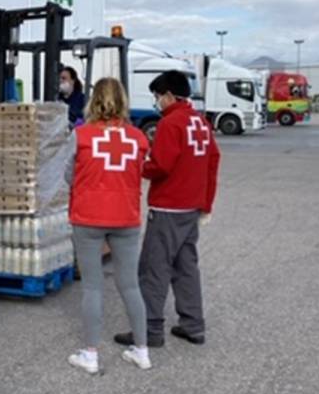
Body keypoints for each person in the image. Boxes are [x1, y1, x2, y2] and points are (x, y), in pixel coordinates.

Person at [115, 70, 220, 348]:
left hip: (168, 207)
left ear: (170, 95)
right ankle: (193, 325)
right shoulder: (200, 122)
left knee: (154, 268)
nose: (157, 101)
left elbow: (160, 164)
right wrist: (206, 204)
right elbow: (213, 161)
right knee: (186, 267)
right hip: (191, 207)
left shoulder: (170, 124)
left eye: (158, 96)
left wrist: (138, 165)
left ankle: (150, 329)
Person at [65, 77, 152, 375]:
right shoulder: (139, 138)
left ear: (94, 100)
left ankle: (90, 354)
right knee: (130, 285)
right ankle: (142, 350)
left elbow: (68, 175)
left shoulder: (81, 136)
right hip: (126, 217)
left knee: (92, 287)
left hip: (88, 217)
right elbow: (140, 171)